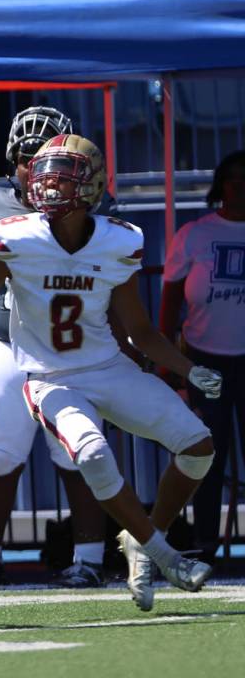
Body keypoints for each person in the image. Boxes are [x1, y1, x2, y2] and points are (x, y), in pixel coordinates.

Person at [0, 133, 222, 612]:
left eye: (64, 172)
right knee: (90, 453)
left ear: (91, 183)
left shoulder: (119, 239)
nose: (51, 182)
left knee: (199, 448)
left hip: (107, 366)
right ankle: (161, 553)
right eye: (47, 170)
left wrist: (188, 369)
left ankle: (142, 538)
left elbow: (139, 330)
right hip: (48, 378)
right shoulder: (14, 235)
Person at [0, 107, 109, 591]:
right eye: (30, 156)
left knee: (80, 456)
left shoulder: (91, 205)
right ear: (15, 159)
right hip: (7, 347)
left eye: (49, 155)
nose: (39, 166)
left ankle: (89, 557)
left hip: (71, 354)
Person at [159, 149, 245, 563]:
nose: (241, 186)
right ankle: (205, 546)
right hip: (204, 362)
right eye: (234, 179)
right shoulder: (195, 234)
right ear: (220, 186)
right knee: (206, 455)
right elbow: (170, 298)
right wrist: (164, 357)